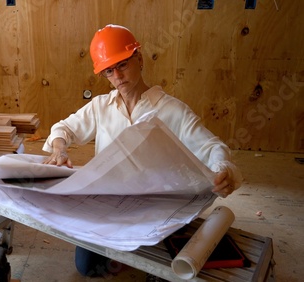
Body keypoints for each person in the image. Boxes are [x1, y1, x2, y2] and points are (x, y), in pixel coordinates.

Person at [41, 24, 243, 277]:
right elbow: (64, 128)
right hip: (110, 202)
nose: (117, 76)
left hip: (156, 206)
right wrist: (59, 149)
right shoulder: (101, 107)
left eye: (123, 65)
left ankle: (136, 251)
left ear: (139, 58)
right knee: (88, 266)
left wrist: (223, 170)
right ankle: (126, 252)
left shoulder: (172, 110)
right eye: (109, 71)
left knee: (159, 263)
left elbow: (212, 147)